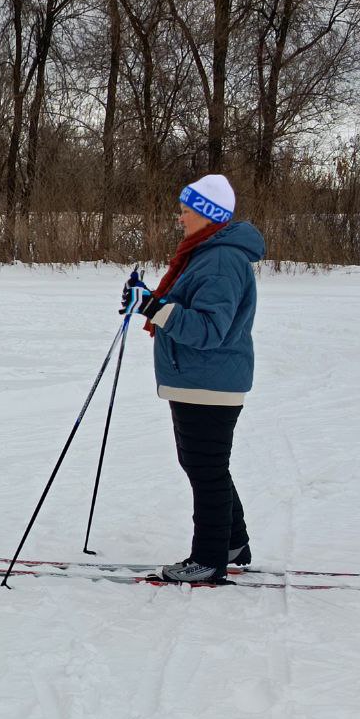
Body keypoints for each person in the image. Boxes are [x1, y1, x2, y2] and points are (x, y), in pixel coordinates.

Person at [120, 174, 265, 583]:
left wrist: (154, 308)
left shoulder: (220, 259)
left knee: (206, 469)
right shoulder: (208, 254)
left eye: (185, 212)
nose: (179, 219)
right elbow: (188, 307)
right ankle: (231, 542)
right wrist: (152, 299)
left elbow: (208, 330)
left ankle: (209, 558)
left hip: (209, 381)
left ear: (207, 215)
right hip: (200, 380)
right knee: (204, 465)